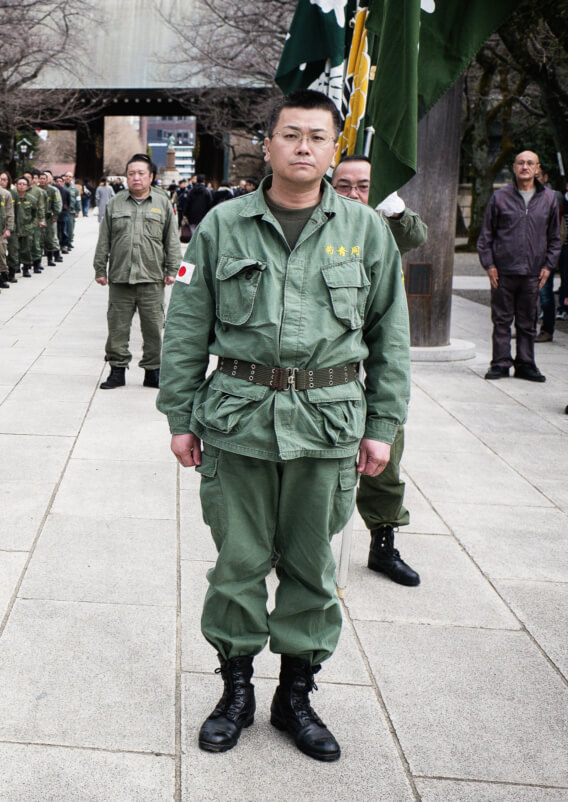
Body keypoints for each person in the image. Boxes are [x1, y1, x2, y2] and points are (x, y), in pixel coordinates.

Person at [159, 90, 410, 762]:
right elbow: (185, 325)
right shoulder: (220, 226)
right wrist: (180, 416)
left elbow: (391, 338)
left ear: (333, 149)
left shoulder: (366, 232)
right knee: (238, 562)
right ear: (265, 144)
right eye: (291, 134)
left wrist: (381, 424)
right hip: (236, 419)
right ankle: (235, 690)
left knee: (310, 567)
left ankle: (294, 695)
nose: (304, 147)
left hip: (328, 425)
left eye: (318, 137)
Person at [332, 154, 427, 587]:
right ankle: (289, 543)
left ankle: (383, 541)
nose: (354, 194)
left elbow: (417, 236)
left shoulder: (385, 221)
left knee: (384, 448)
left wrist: (393, 207)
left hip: (379, 338)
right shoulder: (323, 222)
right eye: (344, 185)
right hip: (333, 350)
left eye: (364, 186)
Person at [94, 154, 181, 390]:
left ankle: (153, 372)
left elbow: (172, 240)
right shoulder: (116, 203)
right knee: (117, 327)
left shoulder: (163, 203)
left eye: (141, 173)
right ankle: (117, 371)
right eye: (131, 173)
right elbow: (104, 239)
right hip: (121, 277)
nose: (136, 178)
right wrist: (100, 268)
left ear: (151, 176)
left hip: (152, 277)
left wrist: (173, 269)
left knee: (153, 327)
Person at [478, 151, 561, 379]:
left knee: (528, 321)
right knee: (501, 320)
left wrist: (548, 266)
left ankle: (526, 364)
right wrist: (490, 265)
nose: (525, 167)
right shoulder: (500, 197)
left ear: (537, 169)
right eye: (520, 163)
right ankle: (500, 363)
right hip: (503, 272)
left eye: (530, 163)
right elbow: (486, 237)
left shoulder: (550, 199)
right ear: (514, 168)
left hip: (533, 273)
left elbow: (555, 238)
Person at [13, 176, 40, 276]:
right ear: (16, 185)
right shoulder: (12, 197)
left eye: (24, 184)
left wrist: (32, 225)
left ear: (28, 186)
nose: (21, 186)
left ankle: (26, 267)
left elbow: (35, 215)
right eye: (19, 184)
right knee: (14, 249)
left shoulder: (32, 199)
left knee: (26, 249)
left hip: (26, 227)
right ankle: (15, 267)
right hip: (15, 227)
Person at [39, 171, 63, 263]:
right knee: (40, 239)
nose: (42, 181)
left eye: (44, 178)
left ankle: (51, 258)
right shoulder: (36, 190)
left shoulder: (53, 190)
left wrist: (55, 216)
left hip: (49, 218)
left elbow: (57, 204)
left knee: (50, 238)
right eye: (40, 179)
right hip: (39, 218)